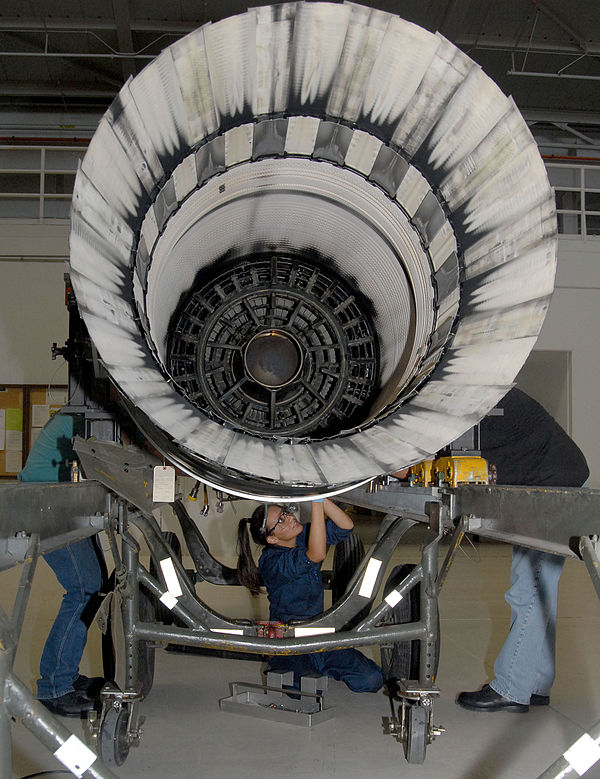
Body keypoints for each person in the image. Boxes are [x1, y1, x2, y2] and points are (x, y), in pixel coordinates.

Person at [456, 387, 589, 713]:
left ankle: (512, 687)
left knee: (530, 589)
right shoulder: (487, 394)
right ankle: (536, 683)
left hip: (554, 491)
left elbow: (454, 457)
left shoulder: (480, 403)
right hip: (552, 485)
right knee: (539, 591)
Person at [236, 498, 383, 692]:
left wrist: (320, 497)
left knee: (372, 680)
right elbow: (316, 555)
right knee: (305, 690)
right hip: (289, 639)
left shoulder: (302, 535)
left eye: (285, 513)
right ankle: (279, 662)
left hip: (319, 634)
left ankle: (321, 666)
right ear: (271, 539)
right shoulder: (271, 562)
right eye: (279, 521)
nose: (288, 518)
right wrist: (316, 505)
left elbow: (346, 526)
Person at [18, 410, 105, 717]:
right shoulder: (86, 417)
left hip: (59, 503)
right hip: (49, 507)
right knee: (84, 589)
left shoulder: (81, 414)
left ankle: (65, 673)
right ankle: (54, 687)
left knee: (93, 587)